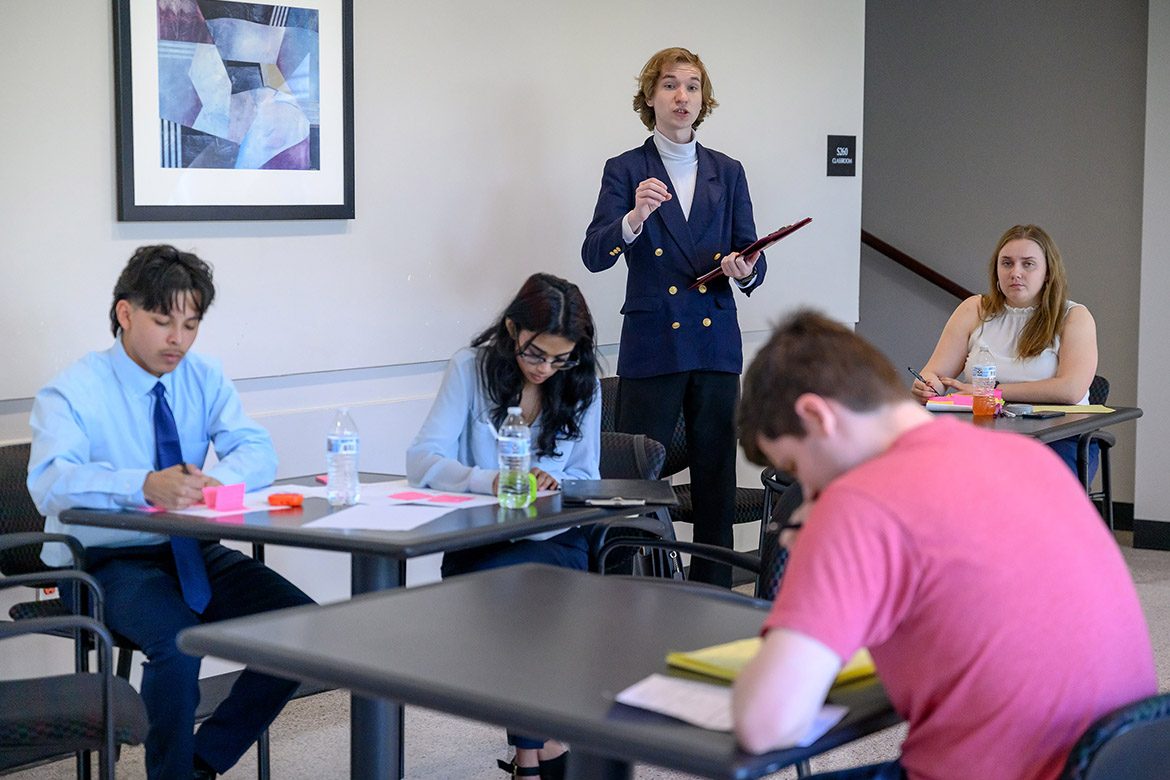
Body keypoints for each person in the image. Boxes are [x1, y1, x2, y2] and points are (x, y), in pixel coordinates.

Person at [731, 311, 1155, 780]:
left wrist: (817, 552)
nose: (808, 494)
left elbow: (765, 725)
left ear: (817, 416)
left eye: (795, 465)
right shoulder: (1027, 456)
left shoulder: (861, 502)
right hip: (1121, 761)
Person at [27, 245, 315, 780]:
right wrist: (142, 484)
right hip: (102, 562)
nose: (178, 339)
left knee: (305, 627)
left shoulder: (203, 376)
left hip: (189, 549)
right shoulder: (72, 389)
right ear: (125, 313)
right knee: (180, 645)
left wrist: (215, 484)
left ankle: (200, 764)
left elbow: (256, 450)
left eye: (191, 324)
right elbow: (50, 484)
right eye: (163, 322)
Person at [581, 46, 766, 587]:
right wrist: (634, 217)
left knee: (716, 481)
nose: (681, 95)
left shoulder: (728, 171)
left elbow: (753, 256)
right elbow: (594, 255)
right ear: (650, 97)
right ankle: (629, 596)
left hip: (714, 342)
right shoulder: (625, 169)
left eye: (692, 86)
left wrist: (744, 268)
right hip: (653, 339)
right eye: (669, 85)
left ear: (703, 100)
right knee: (635, 485)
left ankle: (713, 599)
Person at [405, 272, 601, 780]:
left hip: (555, 541)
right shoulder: (470, 369)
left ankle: (531, 759)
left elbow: (587, 475)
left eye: (560, 358)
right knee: (518, 605)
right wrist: (489, 479)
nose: (545, 368)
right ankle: (544, 748)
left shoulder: (582, 382)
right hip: (479, 542)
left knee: (527, 602)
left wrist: (555, 481)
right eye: (535, 353)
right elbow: (422, 461)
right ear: (512, 329)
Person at [911, 224, 1099, 478]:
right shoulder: (974, 309)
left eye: (1028, 264)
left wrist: (990, 393)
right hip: (984, 433)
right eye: (1007, 263)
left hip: (1058, 437)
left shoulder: (1074, 316)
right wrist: (928, 385)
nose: (1015, 273)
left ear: (1047, 272)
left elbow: (1071, 390)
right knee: (927, 471)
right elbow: (935, 373)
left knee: (1013, 483)